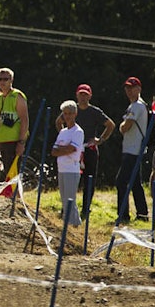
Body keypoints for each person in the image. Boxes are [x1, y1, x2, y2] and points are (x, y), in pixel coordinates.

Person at [54, 84, 115, 219]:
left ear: (90, 96)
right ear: (77, 95)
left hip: (89, 148)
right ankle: (67, 208)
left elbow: (110, 125)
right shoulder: (71, 109)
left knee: (89, 179)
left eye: (85, 94)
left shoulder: (95, 111)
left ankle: (86, 208)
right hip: (73, 149)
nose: (83, 97)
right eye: (81, 94)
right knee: (70, 179)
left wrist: (100, 140)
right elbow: (58, 122)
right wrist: (65, 136)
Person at [116, 77, 149, 223]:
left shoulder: (137, 106)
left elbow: (125, 127)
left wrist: (122, 126)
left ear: (139, 89)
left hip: (132, 150)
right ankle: (142, 214)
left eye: (132, 88)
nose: (129, 91)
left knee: (121, 181)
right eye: (127, 88)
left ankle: (123, 215)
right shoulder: (135, 105)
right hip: (133, 149)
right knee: (135, 183)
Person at [52, 100, 85, 231]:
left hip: (72, 169)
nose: (67, 116)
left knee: (70, 199)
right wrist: (64, 149)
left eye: (70, 113)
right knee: (64, 200)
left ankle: (74, 225)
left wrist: (62, 149)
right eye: (65, 114)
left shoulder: (78, 132)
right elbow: (54, 151)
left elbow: (72, 149)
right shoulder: (63, 132)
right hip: (62, 168)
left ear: (75, 114)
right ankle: (69, 225)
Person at [0, 67, 29, 182]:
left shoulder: (17, 96)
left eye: (5, 79)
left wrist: (21, 142)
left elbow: (24, 120)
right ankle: (10, 197)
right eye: (0, 79)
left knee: (13, 174)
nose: (2, 82)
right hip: (2, 139)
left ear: (11, 80)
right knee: (7, 173)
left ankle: (15, 197)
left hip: (14, 140)